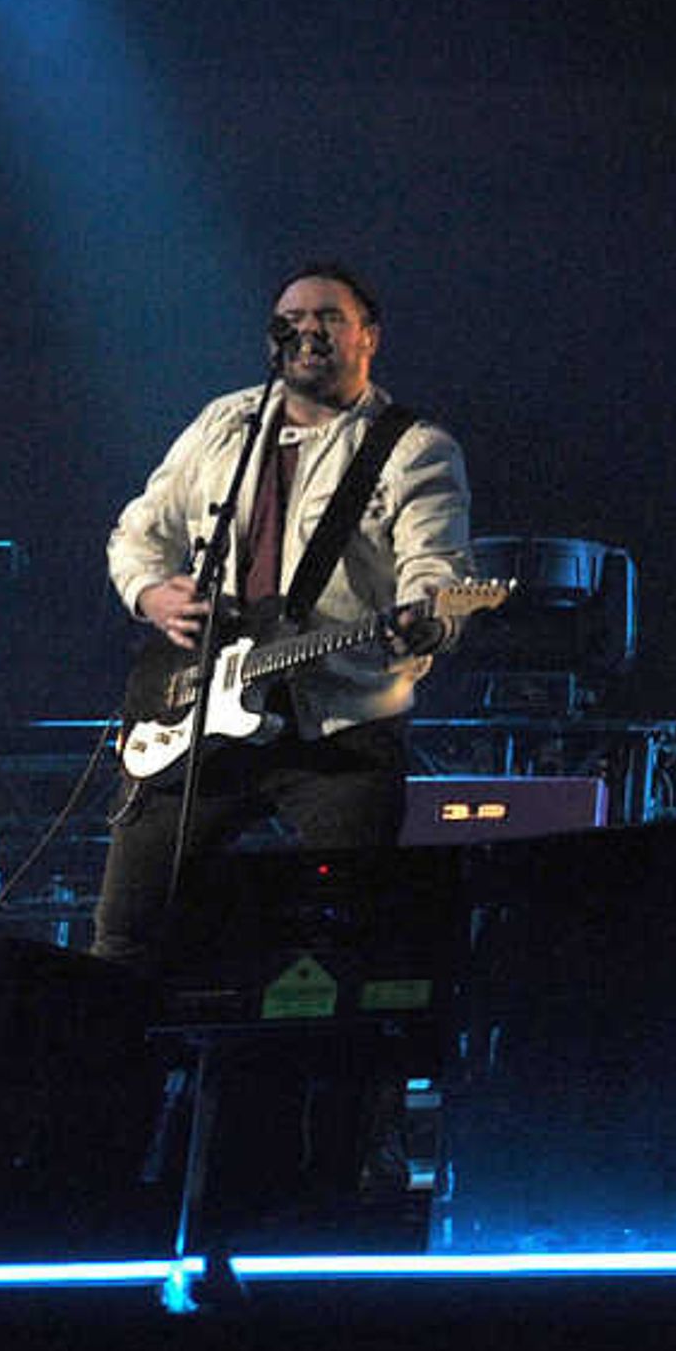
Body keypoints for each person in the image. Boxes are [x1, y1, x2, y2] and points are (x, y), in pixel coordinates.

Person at [97, 263, 473, 965]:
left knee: (349, 941)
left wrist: (429, 617)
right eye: (290, 321)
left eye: (327, 317)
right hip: (199, 710)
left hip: (341, 727)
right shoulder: (225, 424)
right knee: (127, 933)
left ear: (369, 336)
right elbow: (139, 532)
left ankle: (342, 1070)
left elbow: (438, 567)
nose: (306, 331)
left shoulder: (415, 449)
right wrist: (151, 592)